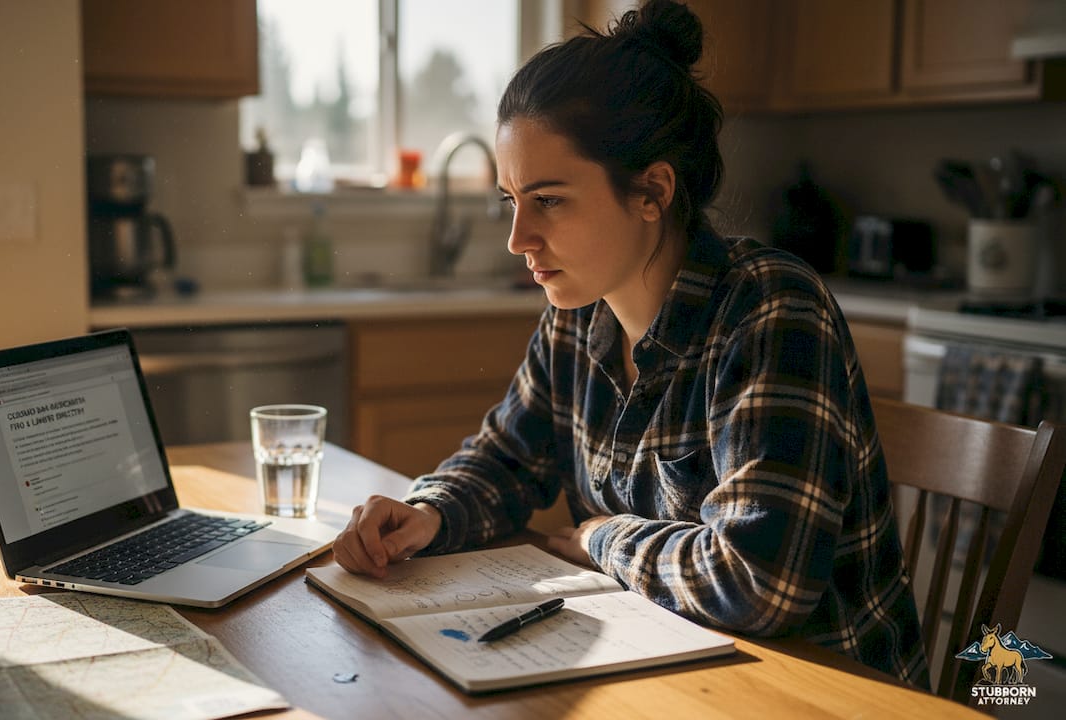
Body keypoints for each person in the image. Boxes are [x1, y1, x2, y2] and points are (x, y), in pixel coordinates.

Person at [333, 0, 928, 688]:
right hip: (667, 668)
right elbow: (507, 459)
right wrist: (428, 511)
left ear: (652, 191)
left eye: (549, 200)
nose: (518, 238)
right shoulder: (577, 313)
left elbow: (760, 581)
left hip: (822, 690)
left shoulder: (770, 310)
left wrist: (600, 538)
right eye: (510, 200)